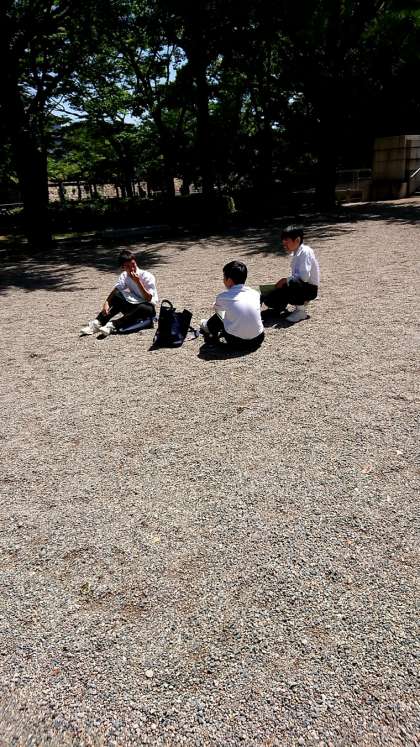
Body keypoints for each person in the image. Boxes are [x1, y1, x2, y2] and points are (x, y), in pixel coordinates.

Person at [80, 249, 158, 337]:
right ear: (123, 268)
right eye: (128, 266)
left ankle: (112, 325)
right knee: (118, 295)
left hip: (147, 309)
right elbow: (116, 290)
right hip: (134, 306)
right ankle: (98, 323)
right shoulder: (124, 276)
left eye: (133, 264)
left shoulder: (147, 276)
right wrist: (106, 303)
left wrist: (138, 282)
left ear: (135, 262)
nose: (132, 268)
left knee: (144, 307)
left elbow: (148, 298)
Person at [200, 260, 264, 350]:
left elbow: (219, 312)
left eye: (224, 277)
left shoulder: (223, 297)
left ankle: (207, 326)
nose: (223, 280)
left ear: (229, 280)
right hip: (258, 339)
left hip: (236, 341)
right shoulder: (255, 293)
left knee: (220, 315)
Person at [261, 225, 319, 322]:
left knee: (291, 283)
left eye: (287, 241)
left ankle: (301, 311)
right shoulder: (296, 253)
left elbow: (304, 277)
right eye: (283, 242)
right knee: (273, 293)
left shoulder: (306, 252)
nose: (284, 244)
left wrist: (286, 280)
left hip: (309, 289)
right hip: (303, 286)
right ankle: (277, 309)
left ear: (297, 240)